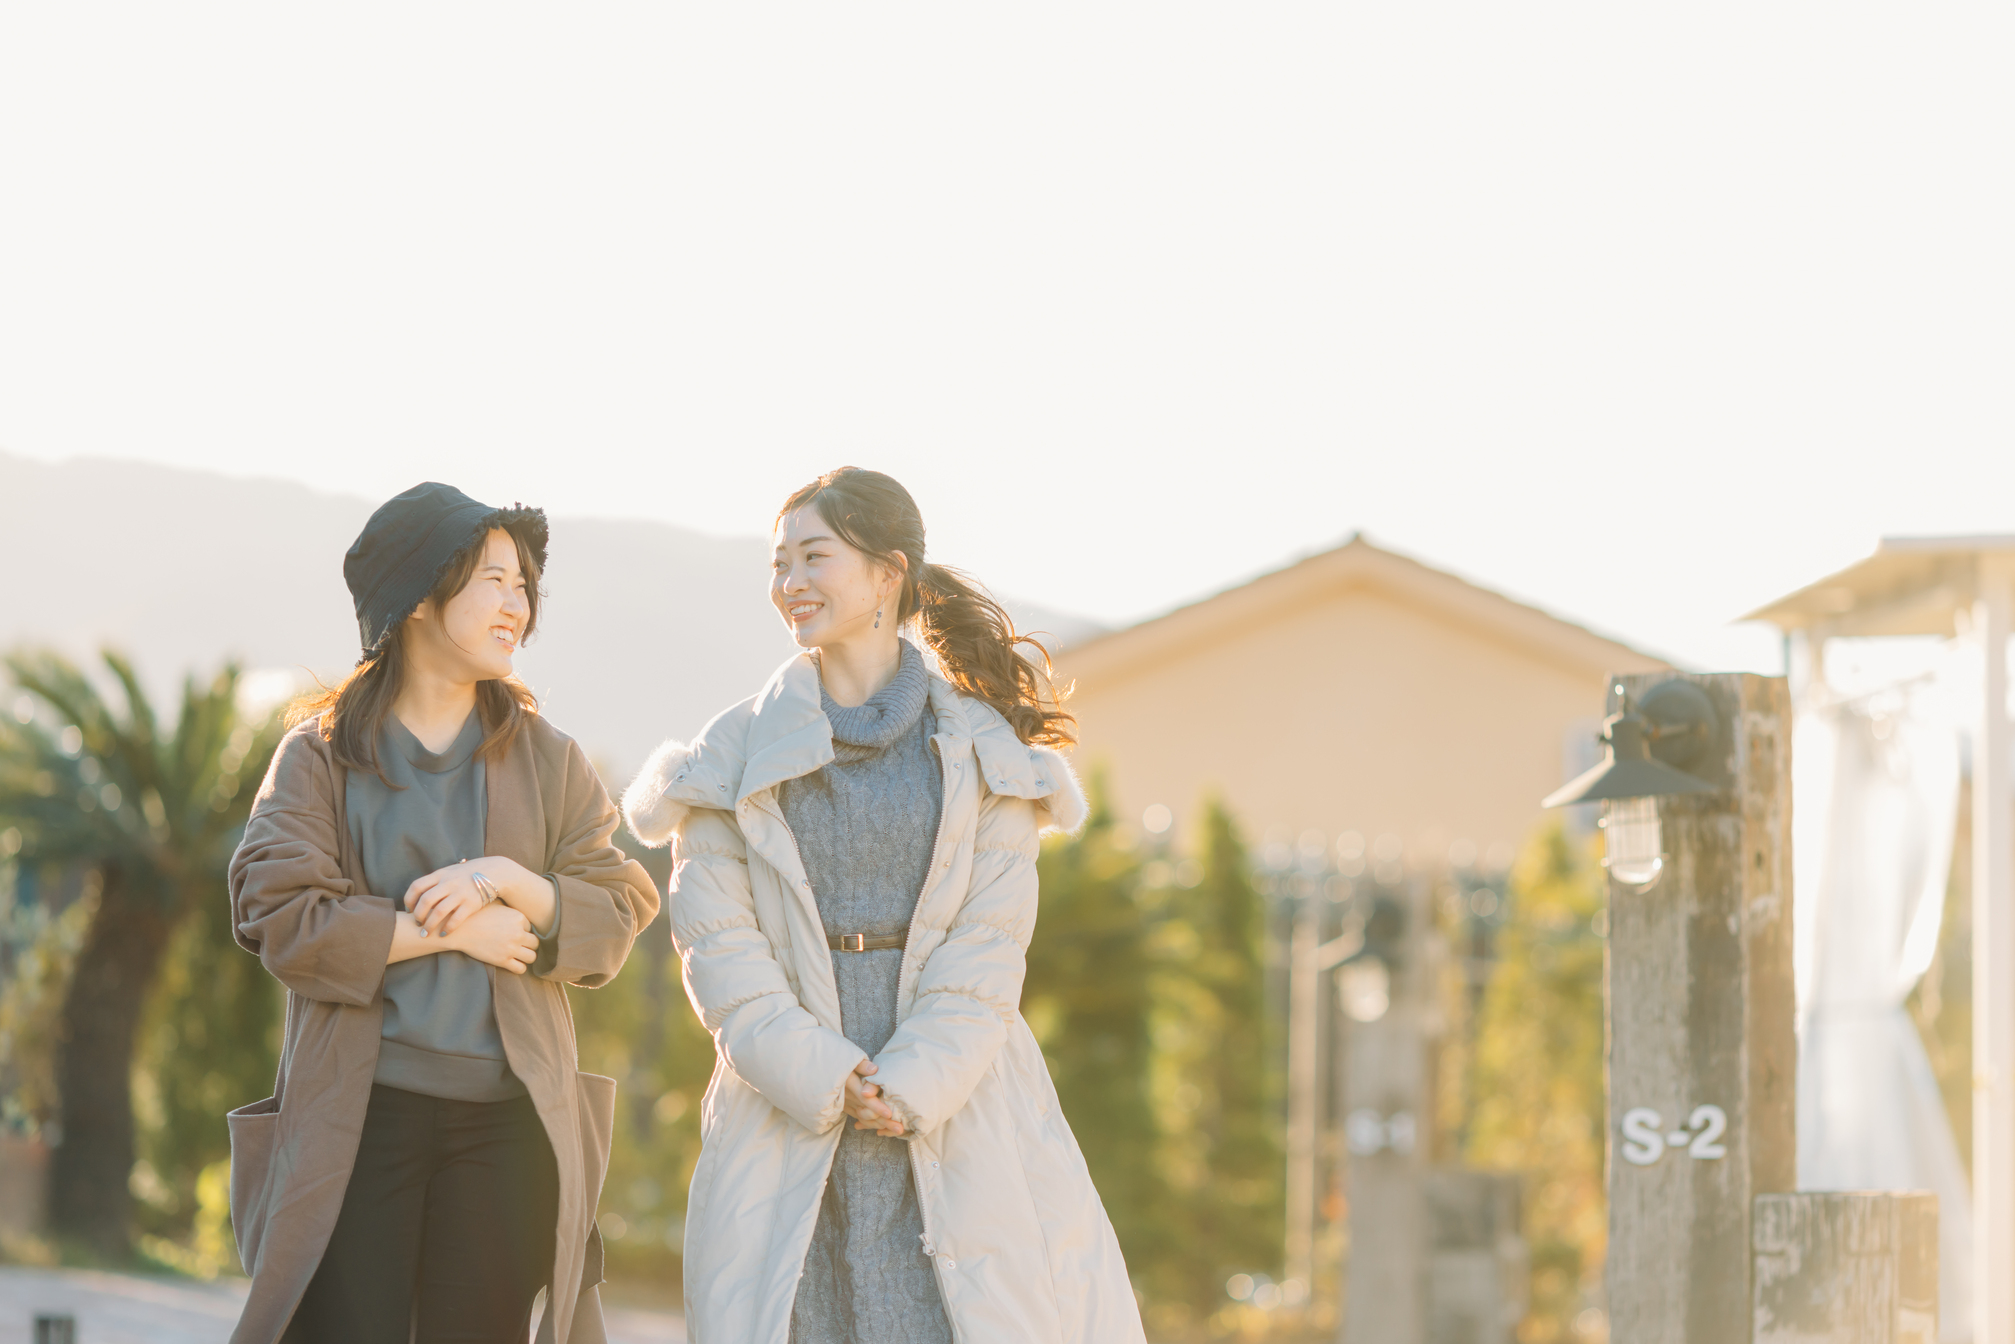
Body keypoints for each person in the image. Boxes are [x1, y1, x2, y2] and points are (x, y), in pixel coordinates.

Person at [623, 466, 1146, 1343]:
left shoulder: (983, 750)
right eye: (778, 561)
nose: (790, 582)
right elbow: (721, 950)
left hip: (960, 1092)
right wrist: (824, 1074)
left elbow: (988, 946)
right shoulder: (730, 752)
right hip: (785, 1099)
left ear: (886, 572)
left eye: (814, 556)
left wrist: (909, 1083)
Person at [225, 482, 659, 1344]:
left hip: (506, 1130)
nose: (517, 604)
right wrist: (453, 928)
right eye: (493, 580)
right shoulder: (319, 756)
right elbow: (279, 913)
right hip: (360, 1119)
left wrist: (505, 878)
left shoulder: (548, 758)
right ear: (420, 595)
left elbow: (619, 903)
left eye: (523, 585)